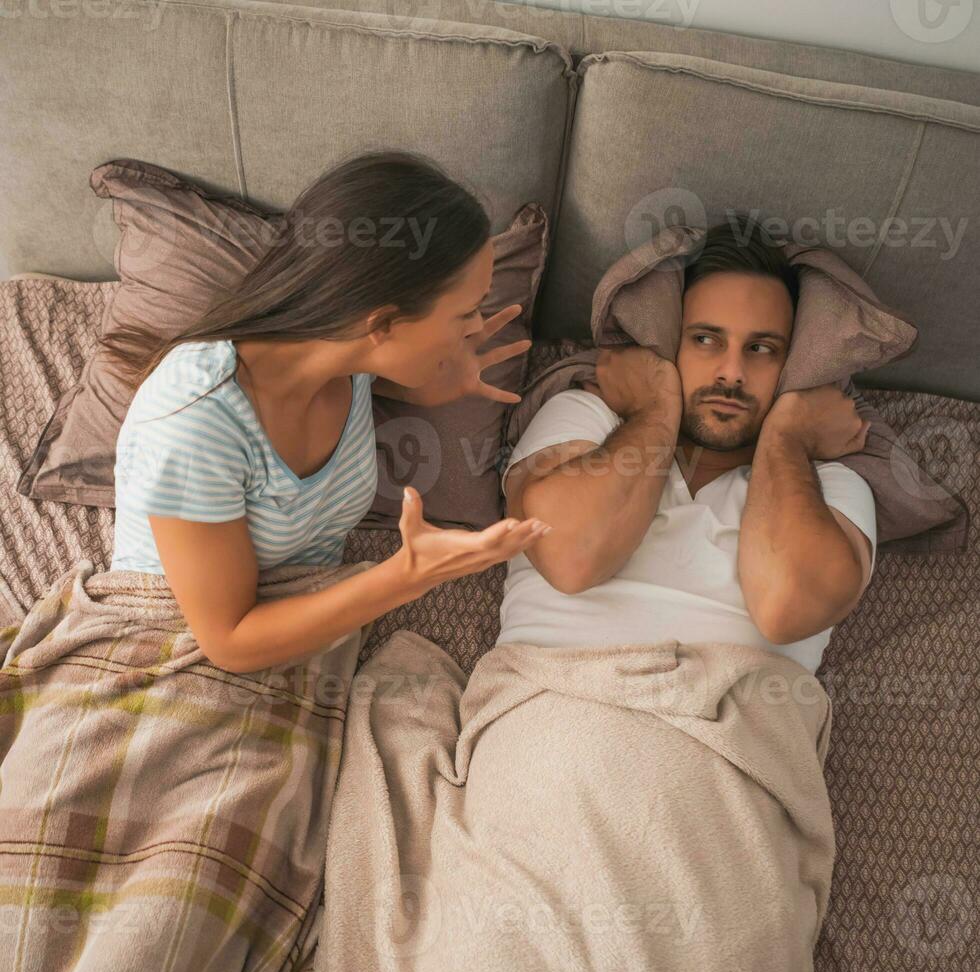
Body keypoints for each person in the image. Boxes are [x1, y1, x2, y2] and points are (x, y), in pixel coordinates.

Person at [108, 149, 552, 674]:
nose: (477, 327)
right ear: (383, 323)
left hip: (298, 633)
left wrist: (439, 380)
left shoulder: (346, 362)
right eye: (464, 313)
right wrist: (409, 574)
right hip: (172, 650)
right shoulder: (195, 418)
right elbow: (228, 643)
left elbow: (382, 375)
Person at [498, 216, 876, 675]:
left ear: (792, 367)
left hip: (729, 733)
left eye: (761, 349)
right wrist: (656, 408)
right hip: (556, 714)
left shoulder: (835, 486)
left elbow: (787, 611)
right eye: (705, 339)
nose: (732, 372)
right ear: (669, 342)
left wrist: (788, 437)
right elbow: (570, 559)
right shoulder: (585, 418)